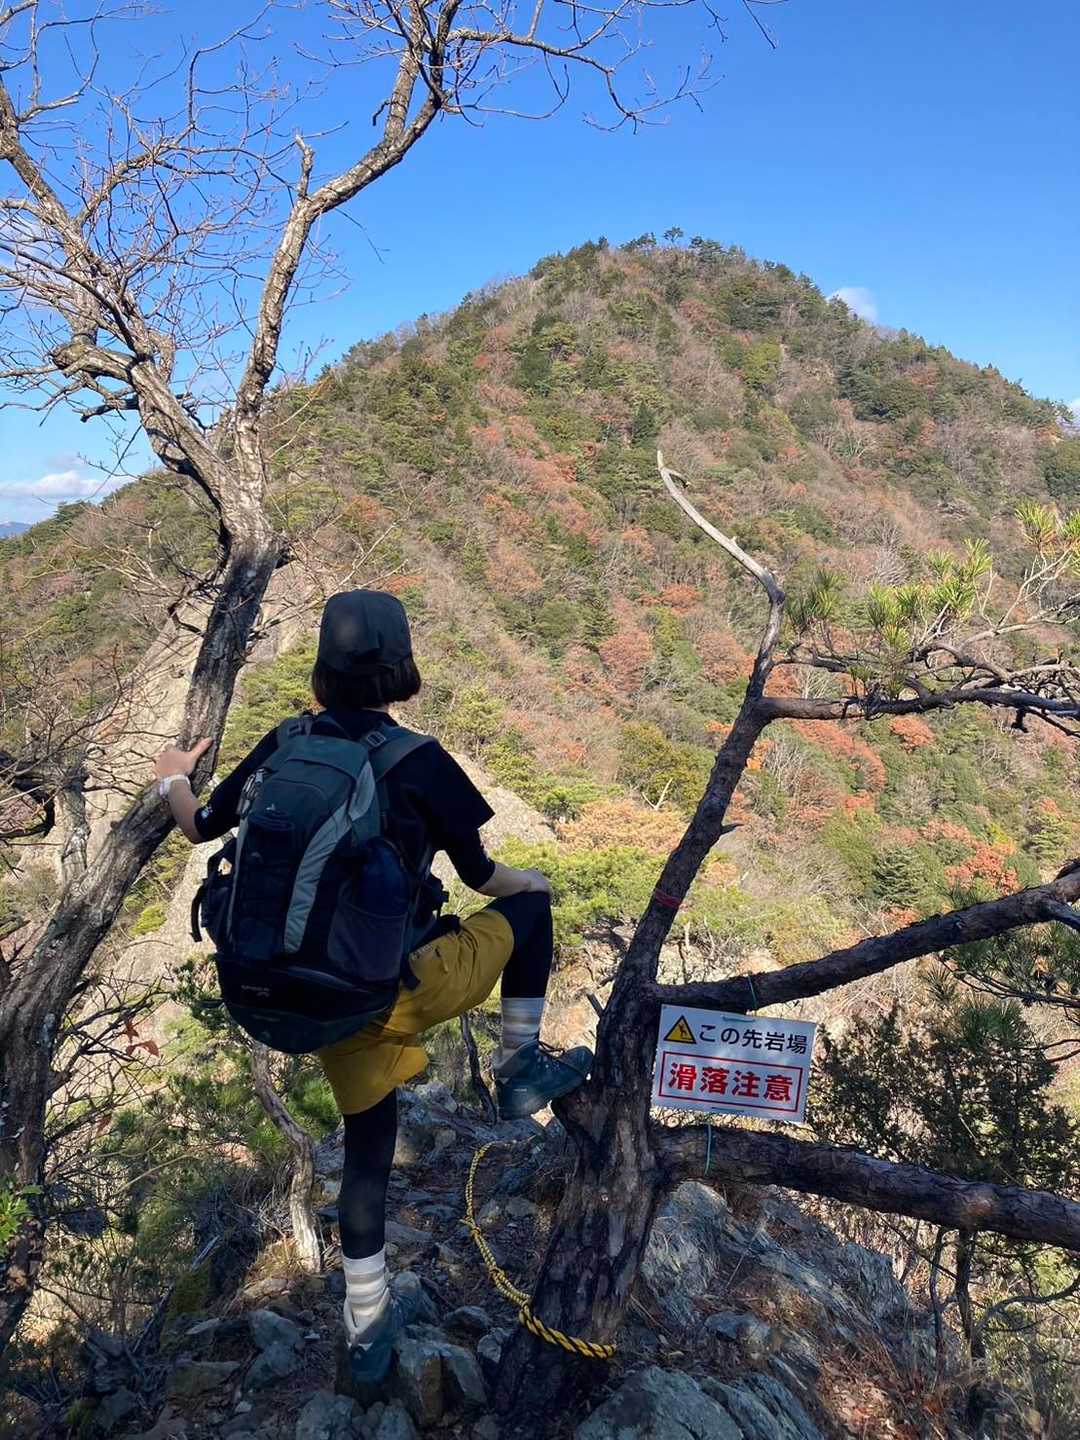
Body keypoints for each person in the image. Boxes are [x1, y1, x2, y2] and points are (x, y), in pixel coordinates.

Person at [152, 589, 592, 1391]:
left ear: (321, 673)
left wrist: (171, 779)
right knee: (528, 912)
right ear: (401, 673)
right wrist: (535, 883)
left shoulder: (287, 742)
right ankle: (521, 1069)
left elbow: (198, 825)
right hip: (379, 993)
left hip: (287, 995)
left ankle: (364, 1338)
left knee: (367, 1154)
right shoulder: (419, 760)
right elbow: (483, 877)